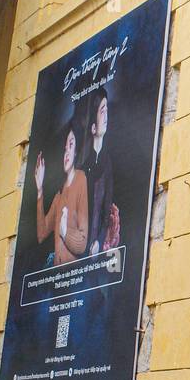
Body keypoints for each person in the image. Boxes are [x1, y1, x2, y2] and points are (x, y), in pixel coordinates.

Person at [34, 122, 89, 266]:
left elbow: (82, 242)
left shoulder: (81, 178)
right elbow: (41, 234)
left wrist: (65, 233)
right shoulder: (60, 194)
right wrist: (40, 190)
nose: (66, 152)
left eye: (70, 145)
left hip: (73, 276)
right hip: (56, 276)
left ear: (77, 151)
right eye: (65, 148)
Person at [83, 88, 118, 255]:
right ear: (93, 128)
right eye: (101, 111)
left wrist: (99, 239)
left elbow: (107, 208)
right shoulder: (82, 169)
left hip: (96, 250)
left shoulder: (108, 163)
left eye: (107, 111)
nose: (106, 116)